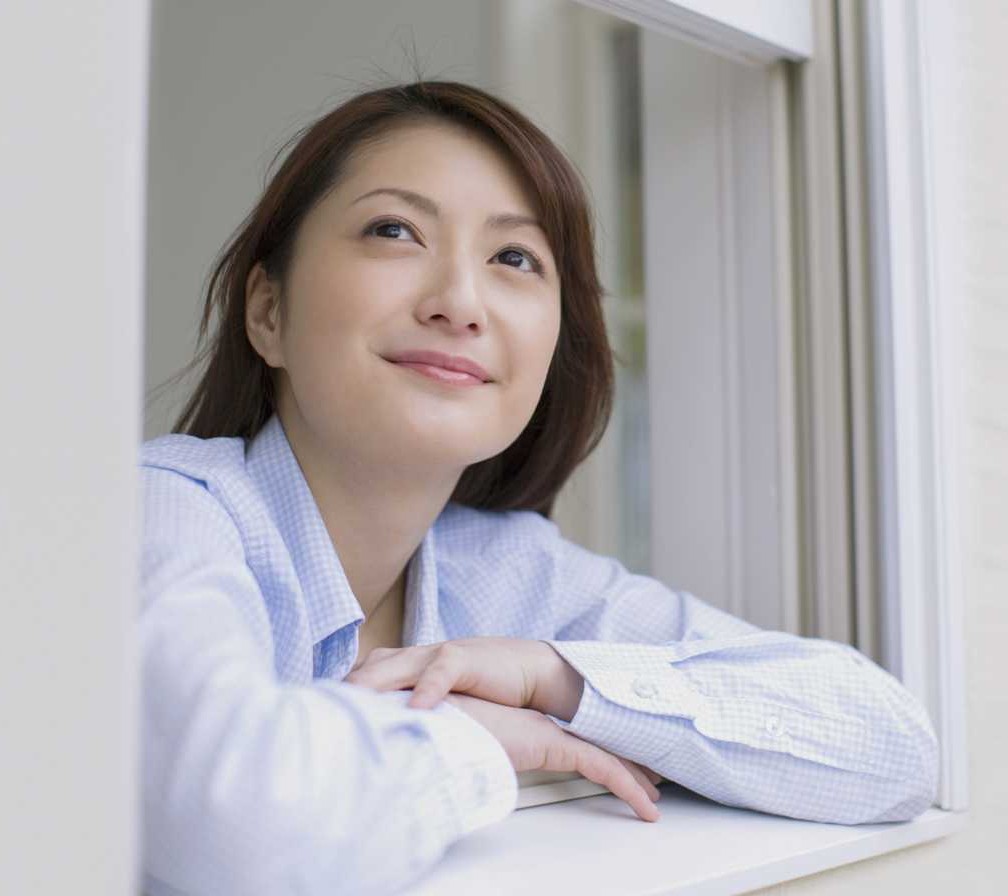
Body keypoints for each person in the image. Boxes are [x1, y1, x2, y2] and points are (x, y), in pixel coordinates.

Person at [138, 79, 939, 896]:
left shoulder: (513, 572)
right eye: (395, 230)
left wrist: (561, 679)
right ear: (267, 310)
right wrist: (469, 737)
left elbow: (892, 749)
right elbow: (233, 823)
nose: (459, 302)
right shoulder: (161, 512)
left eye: (513, 259)